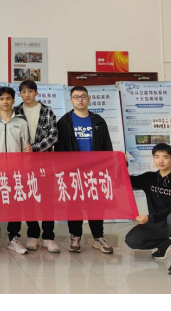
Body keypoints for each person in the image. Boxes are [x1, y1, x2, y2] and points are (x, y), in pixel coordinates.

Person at [55, 86, 114, 254]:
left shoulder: (98, 121)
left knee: (96, 204)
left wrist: (108, 167)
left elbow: (107, 146)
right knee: (74, 205)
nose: (80, 99)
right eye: (76, 97)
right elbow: (59, 150)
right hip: (73, 172)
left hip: (95, 171)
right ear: (71, 100)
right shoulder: (64, 122)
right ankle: (75, 236)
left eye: (83, 96)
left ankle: (98, 237)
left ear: (88, 99)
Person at [125, 143, 171, 276]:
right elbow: (126, 181)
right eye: (157, 157)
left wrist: (149, 218)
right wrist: (123, 163)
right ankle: (164, 244)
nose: (160, 161)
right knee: (132, 240)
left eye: (165, 157)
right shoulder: (149, 178)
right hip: (157, 223)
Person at [14, 80, 60, 253]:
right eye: (24, 92)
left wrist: (34, 148)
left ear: (36, 93)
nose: (27, 95)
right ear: (20, 94)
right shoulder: (16, 111)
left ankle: (48, 237)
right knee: (28, 199)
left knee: (47, 200)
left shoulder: (47, 111)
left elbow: (53, 136)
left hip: (44, 163)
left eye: (30, 91)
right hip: (23, 164)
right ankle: (33, 234)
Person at [0, 86, 30, 254]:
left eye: (8, 98)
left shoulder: (21, 123)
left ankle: (14, 238)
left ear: (13, 100)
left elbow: (26, 148)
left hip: (16, 172)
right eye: (1, 99)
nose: (5, 102)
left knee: (15, 205)